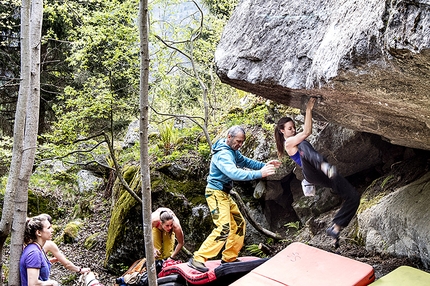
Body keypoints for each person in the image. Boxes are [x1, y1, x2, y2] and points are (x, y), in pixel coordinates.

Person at [188, 125, 281, 272]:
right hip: (215, 193)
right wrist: (260, 173)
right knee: (224, 227)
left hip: (224, 194)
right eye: (238, 141)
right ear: (229, 137)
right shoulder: (223, 154)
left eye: (242, 142)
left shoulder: (232, 150)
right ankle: (198, 258)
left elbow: (246, 162)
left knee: (238, 223)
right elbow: (234, 173)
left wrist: (264, 165)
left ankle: (229, 258)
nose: (240, 144)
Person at [274, 97, 361, 247]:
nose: (293, 130)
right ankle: (323, 164)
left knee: (353, 196)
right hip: (313, 172)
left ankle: (335, 228)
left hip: (324, 174)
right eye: (289, 128)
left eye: (294, 127)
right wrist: (308, 110)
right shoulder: (289, 143)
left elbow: (305, 131)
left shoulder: (294, 138)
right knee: (303, 145)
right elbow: (307, 131)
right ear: (282, 131)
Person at [20, 215, 59, 286]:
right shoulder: (34, 253)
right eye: (49, 228)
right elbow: (33, 284)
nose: (52, 230)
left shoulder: (36, 249)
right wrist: (52, 283)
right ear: (38, 233)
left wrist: (46, 263)